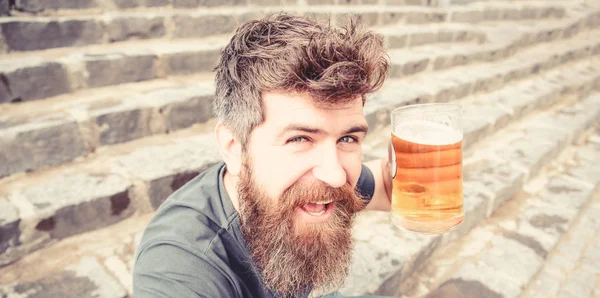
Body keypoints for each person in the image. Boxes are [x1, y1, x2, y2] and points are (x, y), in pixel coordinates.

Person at [133, 12, 392, 298]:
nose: (335, 175)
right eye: (300, 139)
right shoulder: (179, 266)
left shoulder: (319, 184)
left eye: (348, 138)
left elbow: (387, 183)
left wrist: (434, 172)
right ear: (234, 148)